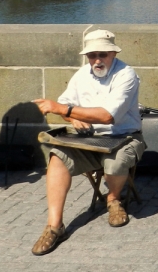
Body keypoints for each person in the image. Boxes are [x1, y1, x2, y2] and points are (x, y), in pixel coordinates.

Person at [31, 29, 144, 256]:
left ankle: (113, 199)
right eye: (92, 55)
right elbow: (65, 105)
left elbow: (108, 116)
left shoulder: (126, 74)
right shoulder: (82, 74)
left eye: (103, 54)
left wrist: (64, 109)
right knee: (57, 156)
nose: (97, 60)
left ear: (113, 53)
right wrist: (72, 117)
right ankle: (54, 226)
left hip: (125, 137)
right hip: (90, 139)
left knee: (115, 161)